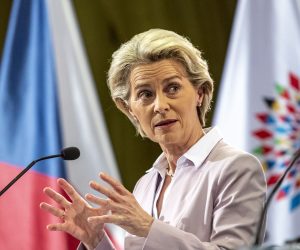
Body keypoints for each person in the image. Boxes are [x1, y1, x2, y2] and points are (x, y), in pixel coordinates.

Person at [40, 29, 267, 250]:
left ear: (199, 93)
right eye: (145, 94)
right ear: (129, 109)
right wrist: (96, 241)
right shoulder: (145, 185)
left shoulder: (237, 168)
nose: (160, 106)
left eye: (173, 88)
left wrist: (148, 227)